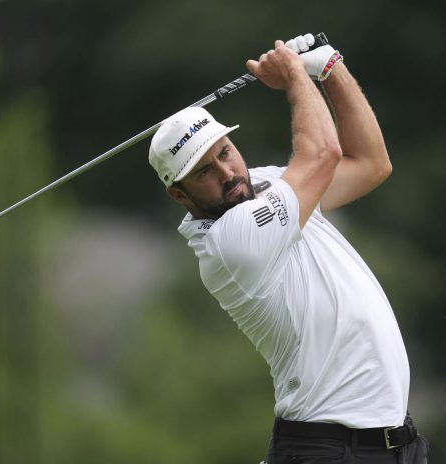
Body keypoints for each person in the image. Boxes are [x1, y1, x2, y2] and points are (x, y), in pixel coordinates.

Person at [148, 33, 429, 464]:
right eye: (204, 172)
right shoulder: (230, 242)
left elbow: (371, 164)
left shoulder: (267, 185)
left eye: (225, 152)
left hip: (392, 446)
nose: (227, 173)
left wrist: (330, 69)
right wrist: (296, 74)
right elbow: (323, 153)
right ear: (179, 195)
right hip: (328, 449)